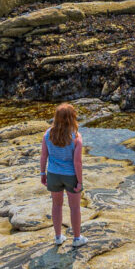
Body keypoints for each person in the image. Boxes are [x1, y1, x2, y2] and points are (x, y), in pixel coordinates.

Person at [40, 103, 86, 247]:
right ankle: (77, 238)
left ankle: (58, 237)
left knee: (56, 205)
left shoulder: (48, 134)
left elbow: (43, 156)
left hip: (53, 174)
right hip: (70, 175)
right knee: (74, 208)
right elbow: (77, 162)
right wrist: (80, 182)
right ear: (72, 118)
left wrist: (42, 173)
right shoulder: (76, 136)